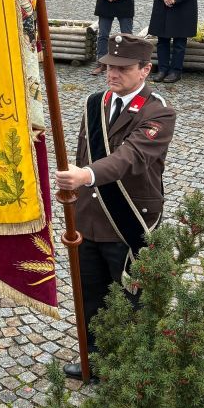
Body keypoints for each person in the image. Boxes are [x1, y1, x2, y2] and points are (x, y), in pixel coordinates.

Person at [55, 33, 176, 379]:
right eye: (109, 66)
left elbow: (130, 158)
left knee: (129, 299)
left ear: (145, 70)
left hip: (129, 220)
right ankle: (92, 356)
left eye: (123, 68)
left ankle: (126, 367)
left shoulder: (159, 113)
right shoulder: (96, 103)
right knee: (90, 294)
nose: (112, 73)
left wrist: (85, 176)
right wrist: (76, 193)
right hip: (89, 218)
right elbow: (82, 153)